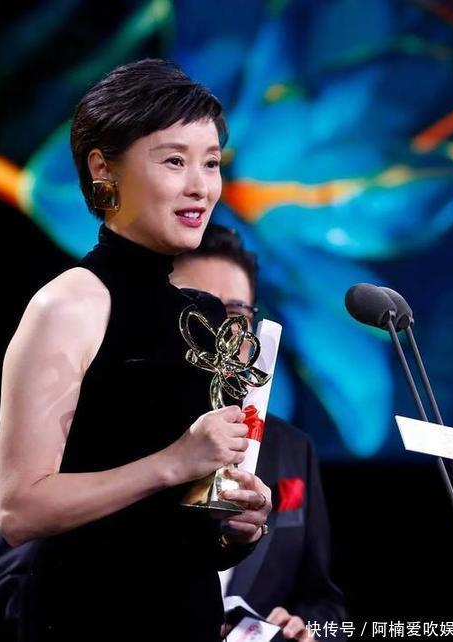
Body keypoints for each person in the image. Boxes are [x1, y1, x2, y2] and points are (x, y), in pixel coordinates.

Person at [0, 59, 272, 642]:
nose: (200, 186)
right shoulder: (69, 305)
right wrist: (173, 462)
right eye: (174, 161)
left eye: (211, 163)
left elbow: (184, 523)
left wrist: (236, 524)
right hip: (84, 620)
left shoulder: (208, 318)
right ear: (103, 168)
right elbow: (19, 510)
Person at [170, 224, 347, 642]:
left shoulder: (292, 449)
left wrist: (308, 631)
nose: (221, 331)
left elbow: (324, 604)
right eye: (197, 309)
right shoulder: (110, 432)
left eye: (235, 314)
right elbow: (21, 585)